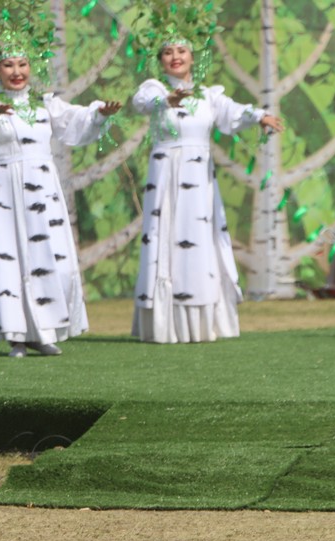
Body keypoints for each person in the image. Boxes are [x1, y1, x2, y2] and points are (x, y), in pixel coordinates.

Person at [0, 52, 120, 358]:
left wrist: (99, 114)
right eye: (8, 65)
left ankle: (43, 331)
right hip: (5, 190)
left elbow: (75, 121)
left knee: (51, 260)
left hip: (44, 191)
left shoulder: (44, 103)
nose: (17, 71)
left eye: (22, 64)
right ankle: (17, 337)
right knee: (11, 261)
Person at [131, 39, 284, 343]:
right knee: (166, 237)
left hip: (199, 179)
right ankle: (165, 324)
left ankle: (204, 320)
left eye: (181, 51)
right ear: (160, 60)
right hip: (166, 177)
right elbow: (142, 103)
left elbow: (233, 111)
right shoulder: (154, 89)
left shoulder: (207, 95)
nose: (175, 57)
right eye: (168, 52)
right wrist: (166, 101)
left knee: (200, 239)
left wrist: (260, 116)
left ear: (192, 57)